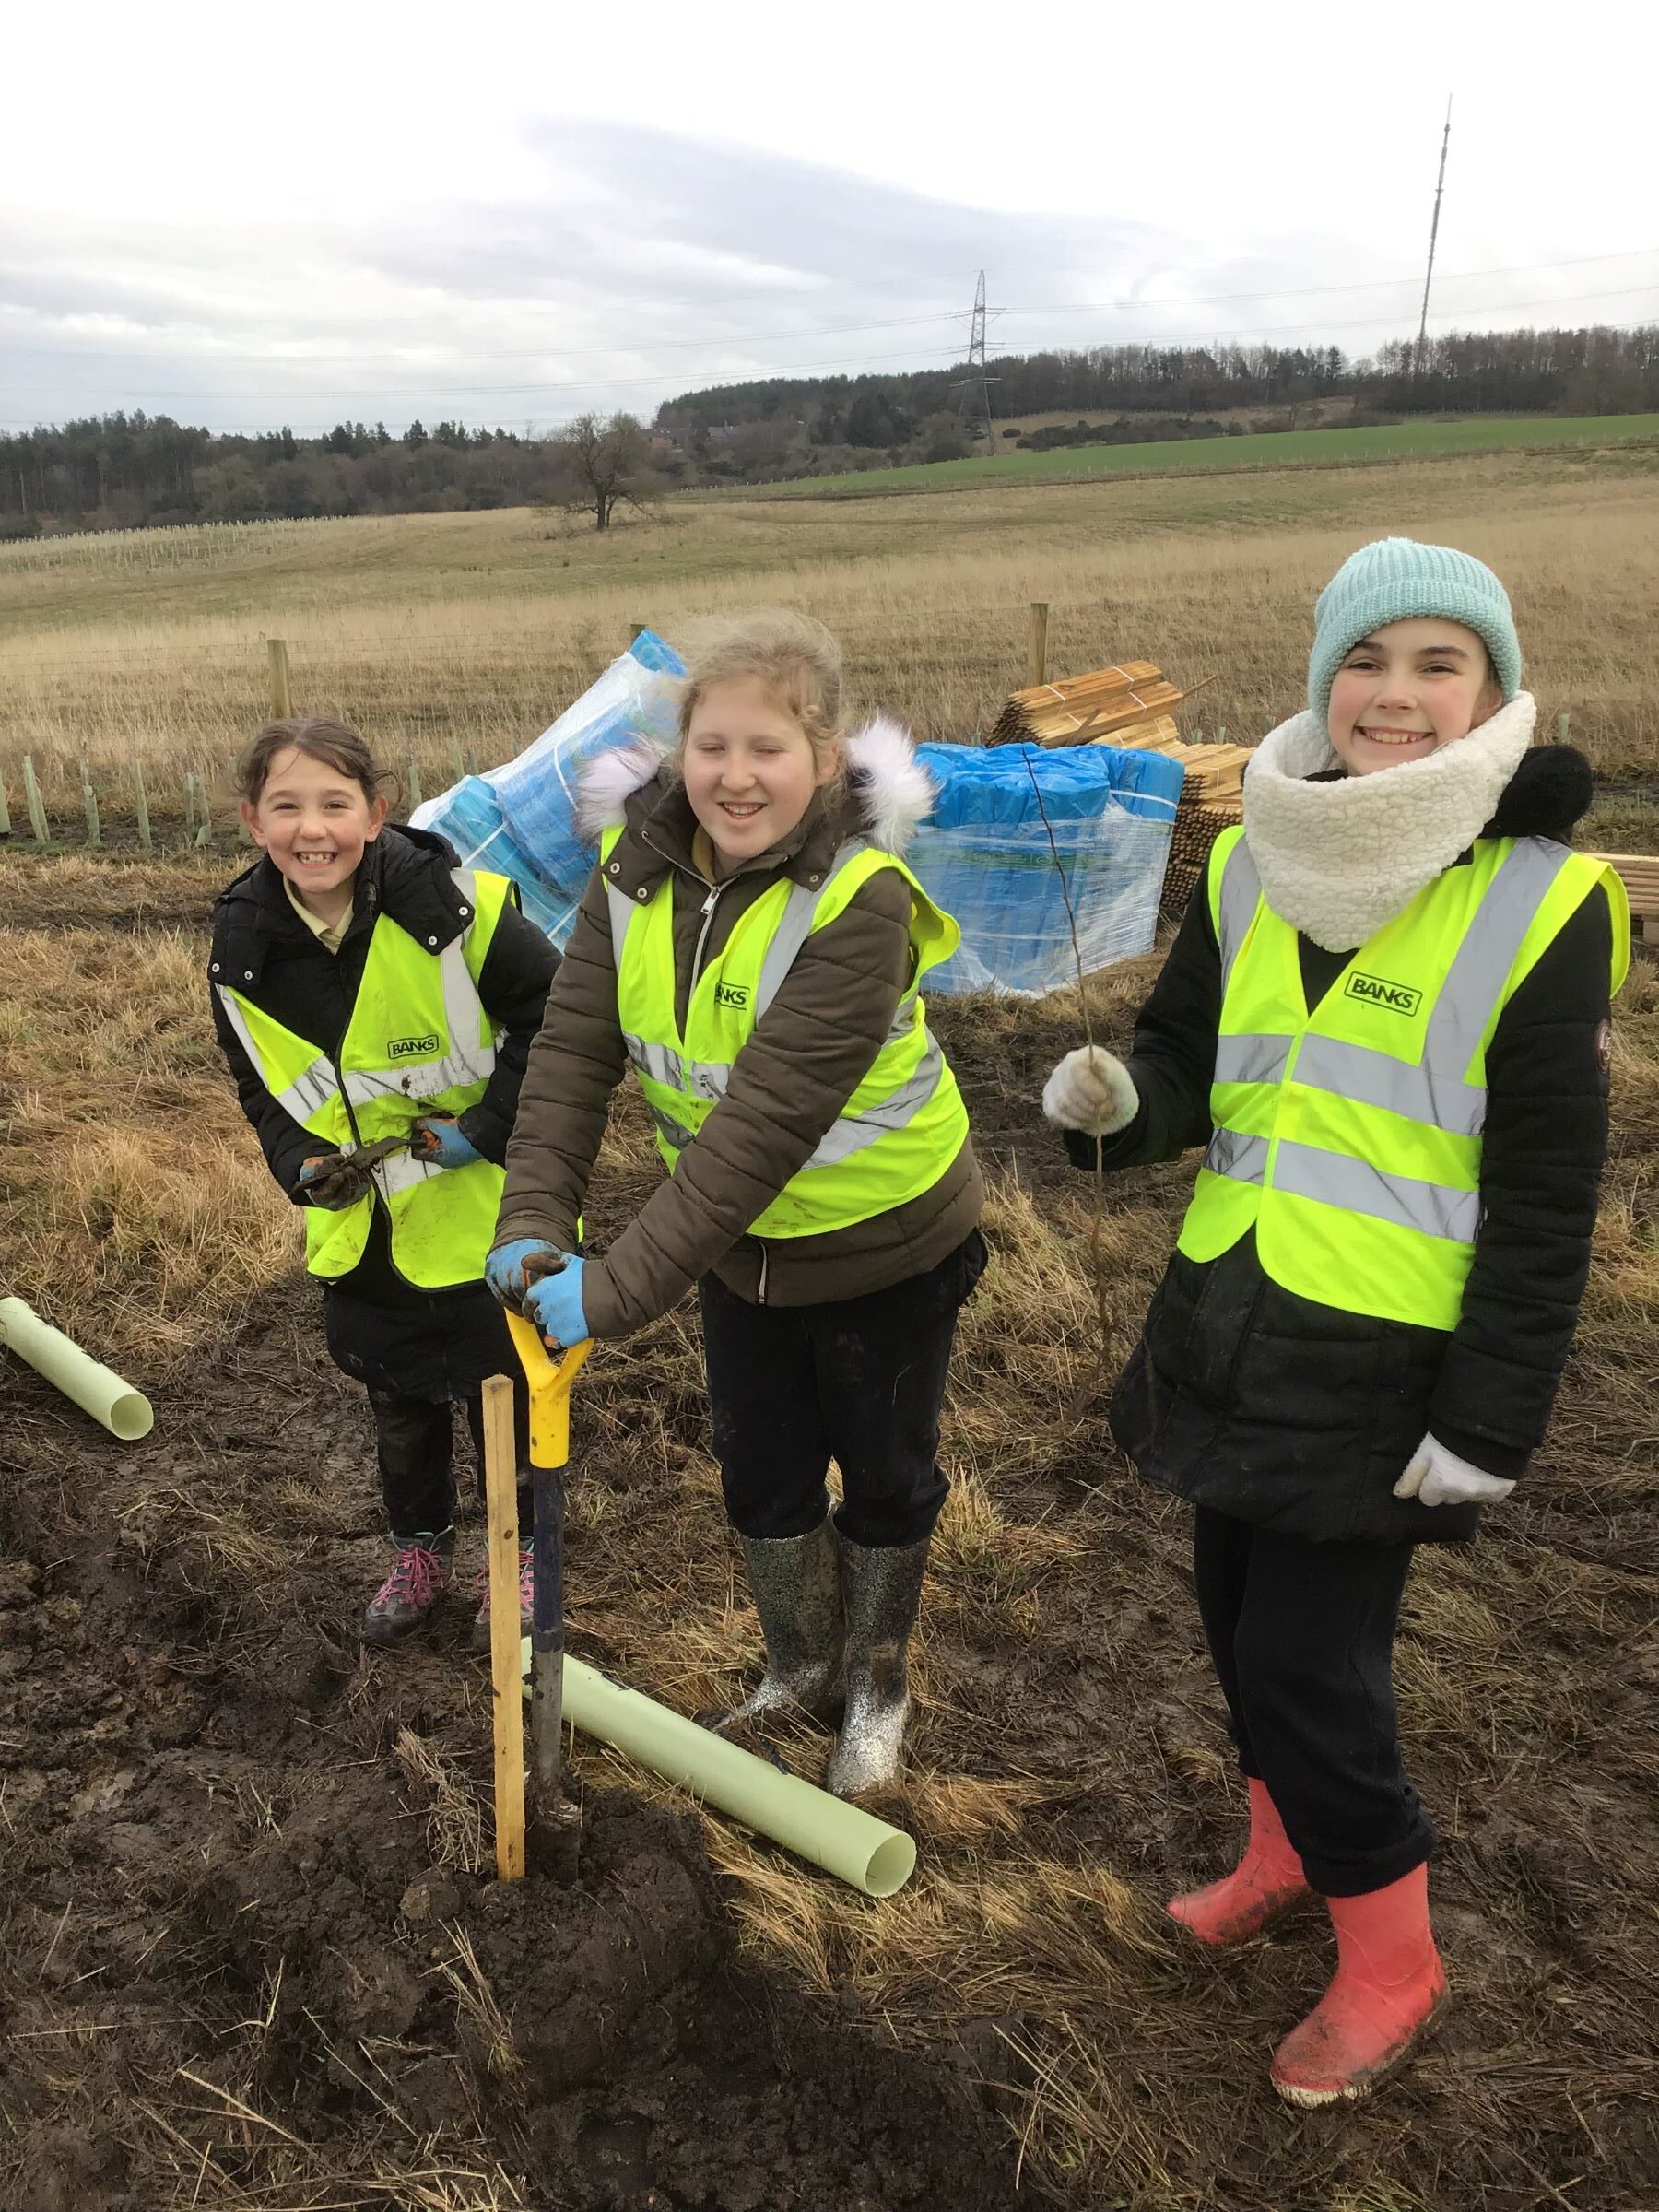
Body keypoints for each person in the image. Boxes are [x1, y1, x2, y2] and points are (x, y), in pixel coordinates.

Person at [1041, 539, 1629, 2106]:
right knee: (1237, 1625)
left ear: (1494, 694)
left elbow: (1543, 1205)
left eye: (1440, 664)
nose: (1395, 695)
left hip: (1391, 1372)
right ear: (1324, 687)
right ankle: (1281, 1855)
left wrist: (1488, 1421)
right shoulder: (1249, 863)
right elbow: (1187, 1063)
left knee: (1315, 1665)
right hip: (1230, 1322)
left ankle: (1393, 1955)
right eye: (1368, 664)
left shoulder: (1543, 903)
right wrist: (1117, 1108)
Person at [488, 611, 985, 1797]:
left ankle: (874, 1687)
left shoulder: (860, 903)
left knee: (882, 1473)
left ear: (823, 761)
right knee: (760, 1470)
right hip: (742, 1256)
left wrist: (608, 1293)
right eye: (711, 746)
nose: (734, 775)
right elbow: (568, 1056)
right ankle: (797, 1667)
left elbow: (758, 1128)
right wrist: (530, 1223)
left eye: (768, 748)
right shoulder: (633, 875)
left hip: (887, 1246)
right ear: (679, 755)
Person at [209, 716, 559, 1648]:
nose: (310, 828)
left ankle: (516, 1559)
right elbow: (260, 1081)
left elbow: (555, 1025)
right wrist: (297, 1166)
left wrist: (483, 1131)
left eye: (334, 803)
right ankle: (420, 1553)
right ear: (253, 820)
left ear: (377, 813)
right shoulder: (240, 946)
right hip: (359, 1233)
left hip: (481, 1215)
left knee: (504, 1400)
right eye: (287, 806)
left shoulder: (460, 911)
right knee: (399, 1405)